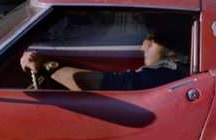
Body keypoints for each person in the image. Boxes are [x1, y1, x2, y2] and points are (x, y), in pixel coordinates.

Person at [20, 24, 189, 91]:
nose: (143, 46)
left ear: (171, 52)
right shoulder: (178, 71)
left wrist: (46, 67)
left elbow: (87, 82)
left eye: (152, 42)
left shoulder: (162, 75)